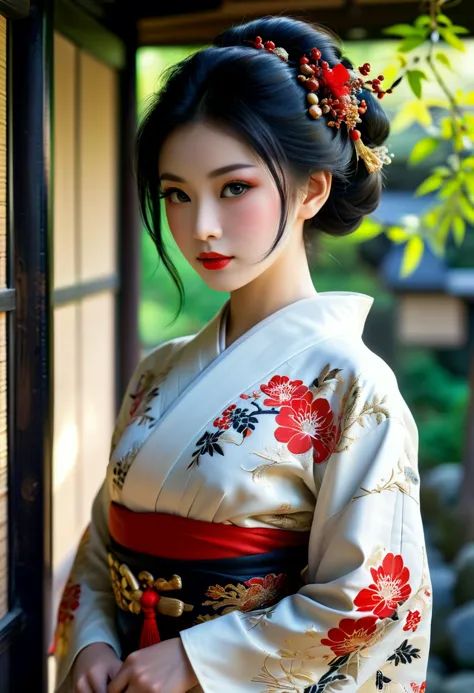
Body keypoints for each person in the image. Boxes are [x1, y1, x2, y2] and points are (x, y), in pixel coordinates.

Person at [53, 15, 431, 693]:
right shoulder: (159, 369)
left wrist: (200, 659)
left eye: (234, 188)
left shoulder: (354, 386)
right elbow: (100, 546)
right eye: (176, 193)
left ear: (313, 188)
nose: (200, 226)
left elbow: (370, 598)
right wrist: (92, 641)